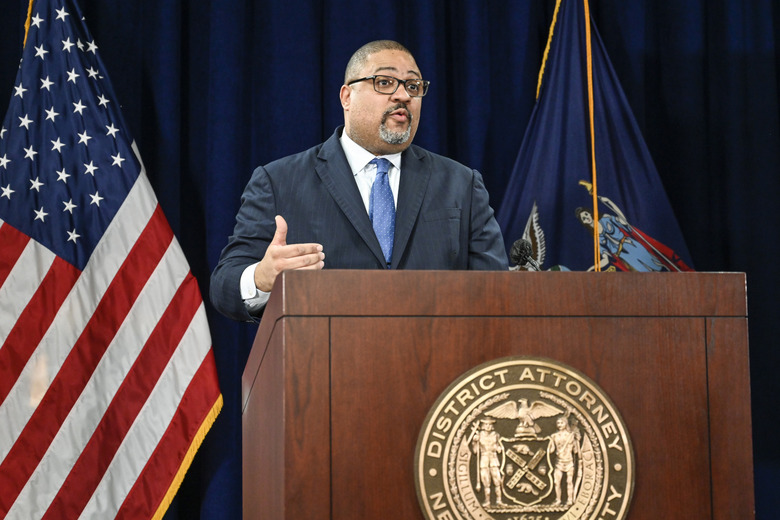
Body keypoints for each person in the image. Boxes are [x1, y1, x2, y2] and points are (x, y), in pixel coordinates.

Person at [210, 40, 508, 322]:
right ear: (346, 97)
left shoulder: (461, 183)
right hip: (324, 365)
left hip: (443, 366)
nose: (403, 95)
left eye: (413, 86)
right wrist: (262, 277)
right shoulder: (279, 181)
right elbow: (224, 286)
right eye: (385, 82)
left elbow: (497, 292)